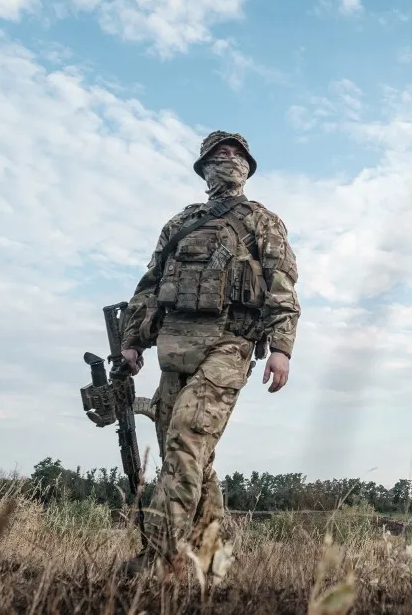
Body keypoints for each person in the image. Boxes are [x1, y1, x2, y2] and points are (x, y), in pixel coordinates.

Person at [118, 130, 301, 573]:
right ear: (204, 167)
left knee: (186, 436)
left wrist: (281, 347)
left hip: (228, 345)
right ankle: (214, 564)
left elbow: (282, 285)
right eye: (220, 154)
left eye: (237, 153)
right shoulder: (180, 223)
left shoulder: (262, 220)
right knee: (192, 459)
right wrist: (131, 341)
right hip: (174, 350)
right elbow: (149, 286)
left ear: (248, 167)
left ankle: (159, 559)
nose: (229, 158)